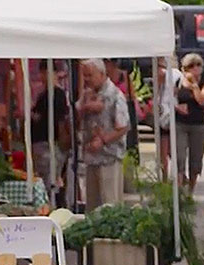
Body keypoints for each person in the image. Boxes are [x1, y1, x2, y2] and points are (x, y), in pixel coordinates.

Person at [77, 58, 131, 207]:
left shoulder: (114, 95)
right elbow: (77, 114)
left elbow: (123, 126)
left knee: (109, 203)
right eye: (85, 76)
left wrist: (104, 140)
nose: (86, 80)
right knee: (92, 205)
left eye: (89, 76)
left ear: (101, 74)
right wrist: (84, 107)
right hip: (91, 158)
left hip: (109, 157)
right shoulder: (88, 93)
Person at [160, 54, 204, 189]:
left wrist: (194, 86)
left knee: (196, 158)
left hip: (198, 124)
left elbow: (202, 101)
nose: (195, 69)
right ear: (184, 69)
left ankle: (191, 189)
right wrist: (177, 107)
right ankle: (178, 188)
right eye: (191, 66)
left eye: (198, 65)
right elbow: (169, 99)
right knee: (179, 156)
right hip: (181, 123)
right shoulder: (178, 81)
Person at [29, 61, 73, 192]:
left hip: (49, 144)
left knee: (49, 181)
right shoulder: (44, 95)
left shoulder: (57, 95)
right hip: (42, 143)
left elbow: (59, 119)